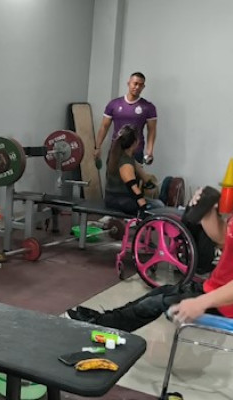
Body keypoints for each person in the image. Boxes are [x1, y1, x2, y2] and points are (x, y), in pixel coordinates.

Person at [66, 186, 232, 331]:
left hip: (225, 303)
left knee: (155, 303)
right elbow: (223, 239)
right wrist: (206, 211)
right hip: (215, 288)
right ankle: (104, 320)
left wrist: (201, 303)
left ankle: (103, 326)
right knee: (159, 292)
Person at [94, 72, 157, 164]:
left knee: (133, 173)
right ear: (129, 83)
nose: (137, 87)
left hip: (136, 151)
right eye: (135, 83)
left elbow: (152, 130)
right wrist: (98, 147)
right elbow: (104, 126)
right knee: (113, 173)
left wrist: (149, 151)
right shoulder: (114, 104)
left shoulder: (148, 107)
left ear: (143, 87)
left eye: (140, 85)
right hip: (116, 150)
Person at [104, 124, 163, 216]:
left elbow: (143, 175)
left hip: (112, 198)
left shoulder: (117, 155)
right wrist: (144, 208)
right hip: (122, 202)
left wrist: (150, 183)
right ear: (135, 142)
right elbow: (134, 189)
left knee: (157, 203)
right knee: (159, 205)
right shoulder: (126, 163)